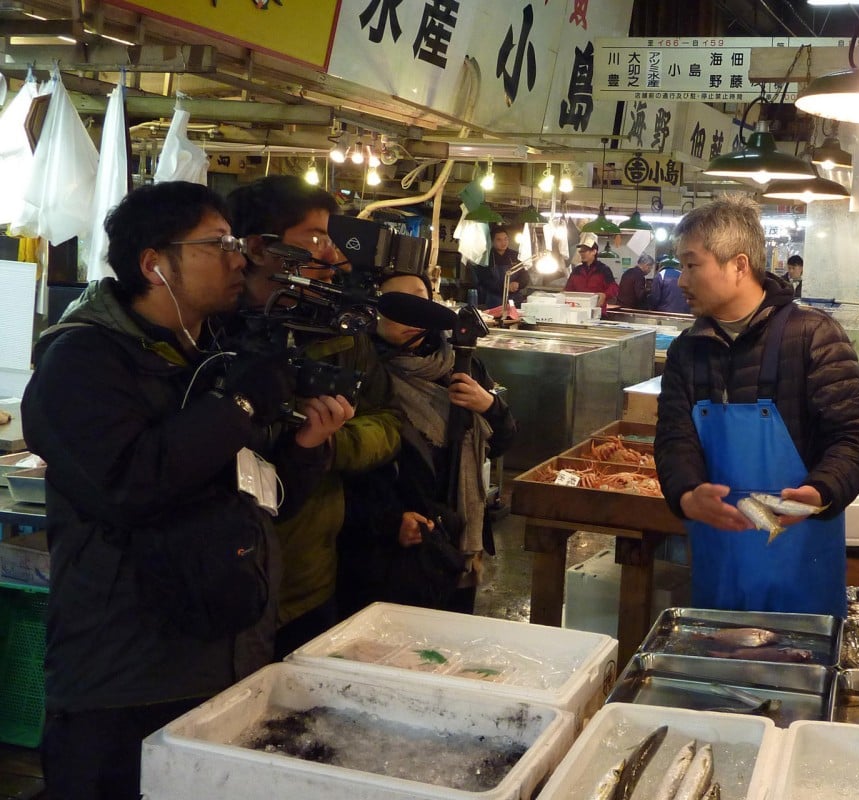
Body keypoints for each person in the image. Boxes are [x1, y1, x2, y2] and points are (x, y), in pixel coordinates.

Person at [20, 182, 352, 800]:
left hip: (228, 658)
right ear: (154, 263)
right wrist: (240, 404)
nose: (238, 259)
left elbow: (259, 500)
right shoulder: (82, 362)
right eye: (218, 245)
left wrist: (307, 448)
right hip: (126, 678)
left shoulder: (213, 352)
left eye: (235, 243)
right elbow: (129, 485)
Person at [654, 195, 859, 617]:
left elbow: (856, 440)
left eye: (692, 265)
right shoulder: (688, 350)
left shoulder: (813, 336)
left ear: (739, 265)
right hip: (720, 566)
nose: (681, 280)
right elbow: (673, 439)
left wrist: (820, 491)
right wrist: (685, 493)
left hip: (803, 565)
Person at [228, 175, 403, 658]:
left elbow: (390, 421)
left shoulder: (342, 329)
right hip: (222, 580)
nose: (334, 256)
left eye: (331, 238)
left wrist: (328, 442)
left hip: (311, 577)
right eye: (315, 239)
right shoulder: (208, 332)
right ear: (258, 248)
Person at [339, 270, 518, 615]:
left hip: (456, 543)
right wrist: (389, 522)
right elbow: (345, 471)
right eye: (398, 305)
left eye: (420, 302)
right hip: (392, 549)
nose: (412, 316)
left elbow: (500, 443)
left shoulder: (460, 362)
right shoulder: (362, 370)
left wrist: (490, 406)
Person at [475, 226, 529, 309]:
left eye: (505, 239)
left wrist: (518, 284)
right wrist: (505, 287)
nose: (503, 242)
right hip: (494, 301)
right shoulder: (485, 258)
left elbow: (525, 276)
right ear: (492, 241)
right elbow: (485, 280)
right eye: (499, 240)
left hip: (515, 300)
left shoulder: (516, 256)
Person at [564, 232, 618, 308]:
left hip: (597, 309)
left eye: (585, 251)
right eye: (581, 251)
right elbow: (568, 289)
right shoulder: (576, 270)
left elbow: (614, 287)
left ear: (594, 252)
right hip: (579, 308)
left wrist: (605, 295)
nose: (582, 253)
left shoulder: (603, 269)